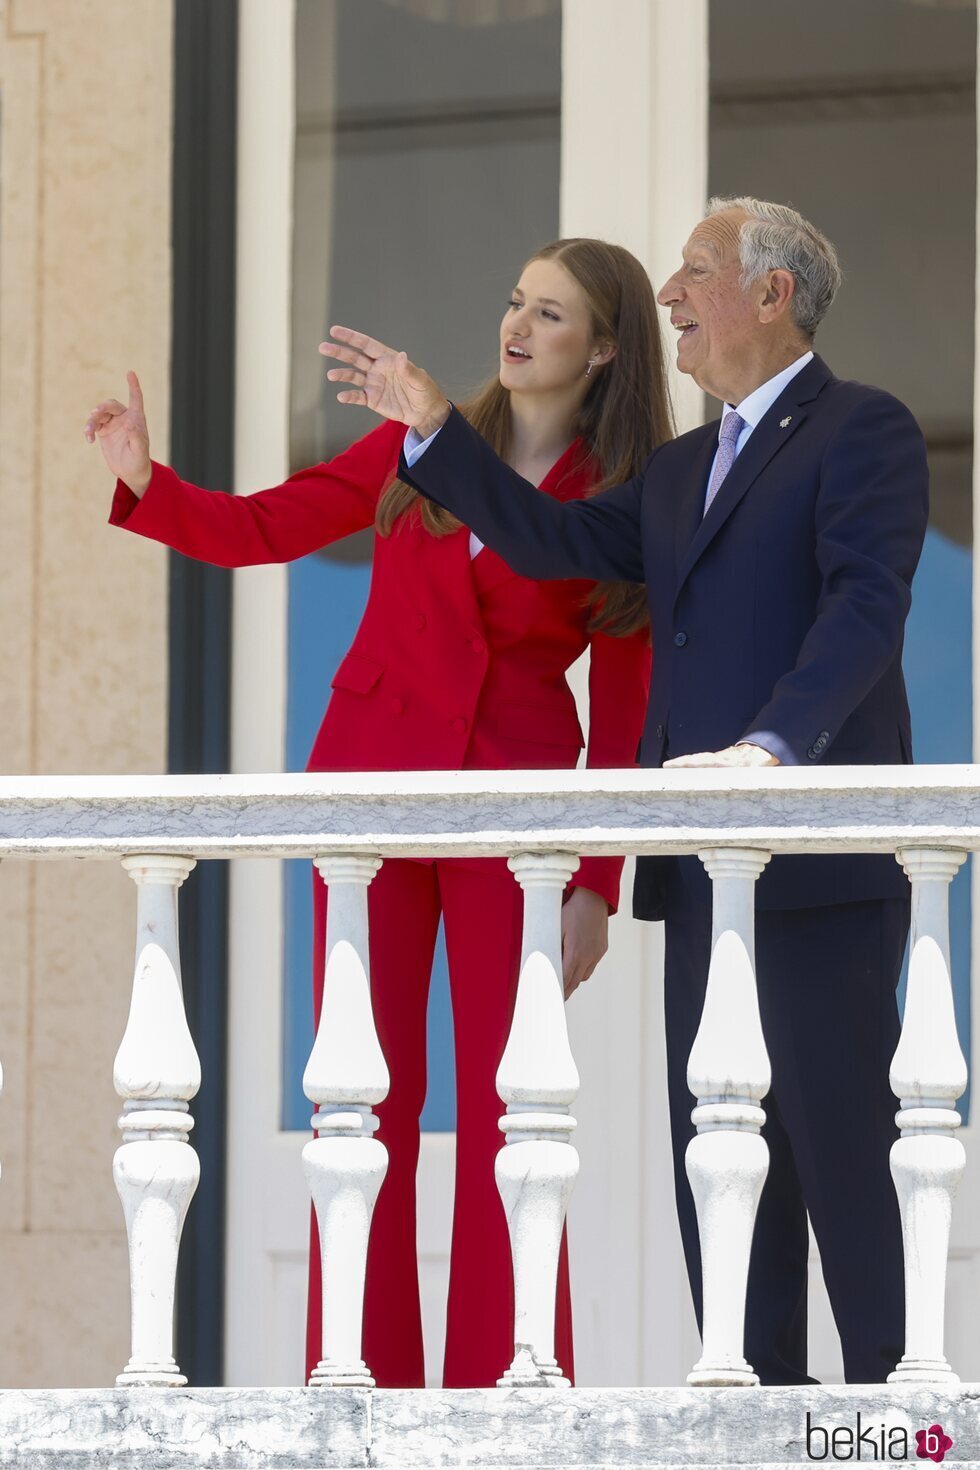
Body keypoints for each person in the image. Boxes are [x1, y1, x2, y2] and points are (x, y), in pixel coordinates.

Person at [318, 196, 930, 1386]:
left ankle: (889, 1436)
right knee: (725, 1186)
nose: (668, 297)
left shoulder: (862, 429)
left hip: (813, 871)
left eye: (694, 273)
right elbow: (549, 543)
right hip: (701, 885)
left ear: (771, 295)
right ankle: (750, 1430)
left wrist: (774, 749)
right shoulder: (679, 470)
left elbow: (865, 608)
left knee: (850, 1184)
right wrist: (438, 429)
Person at [84, 237, 670, 1388]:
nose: (515, 326)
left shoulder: (619, 502)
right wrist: (149, 482)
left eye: (549, 315)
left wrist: (602, 878)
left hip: (517, 820)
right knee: (364, 1102)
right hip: (369, 800)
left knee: (514, 1119)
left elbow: (628, 711)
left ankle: (510, 1387)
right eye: (512, 301)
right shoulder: (417, 441)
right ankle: (359, 1380)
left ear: (602, 350)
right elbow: (264, 527)